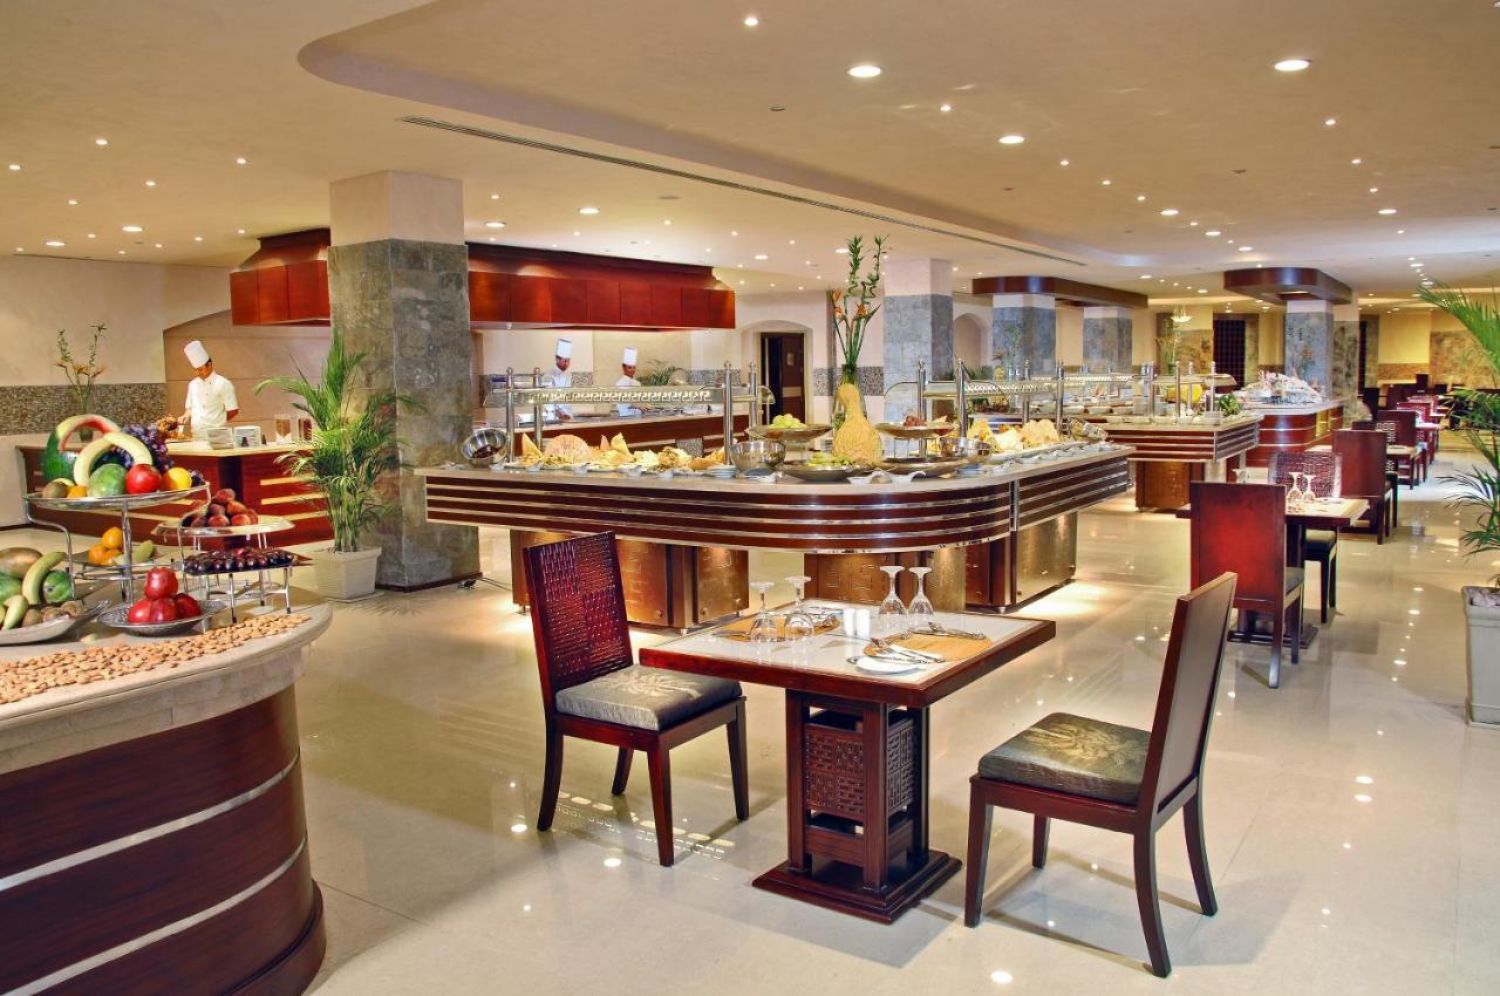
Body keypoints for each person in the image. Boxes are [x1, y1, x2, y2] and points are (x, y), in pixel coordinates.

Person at [180, 340, 238, 436]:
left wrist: (217, 421)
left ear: (210, 365)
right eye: (195, 370)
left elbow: (233, 410)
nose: (198, 373)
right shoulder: (192, 384)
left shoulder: (223, 383)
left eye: (200, 369)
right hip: (197, 435)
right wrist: (186, 416)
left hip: (218, 435)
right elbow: (190, 408)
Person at [542, 338, 573, 421]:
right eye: (565, 361)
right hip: (553, 418)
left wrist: (567, 415)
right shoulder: (549, 375)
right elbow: (546, 399)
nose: (567, 363)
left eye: (568, 361)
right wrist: (559, 414)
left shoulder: (568, 374)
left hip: (567, 417)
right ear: (557, 359)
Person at [615, 346, 642, 417]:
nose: (632, 370)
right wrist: (640, 407)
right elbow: (625, 404)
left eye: (634, 367)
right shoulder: (619, 384)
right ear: (624, 368)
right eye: (629, 367)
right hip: (626, 417)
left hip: (638, 416)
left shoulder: (637, 383)